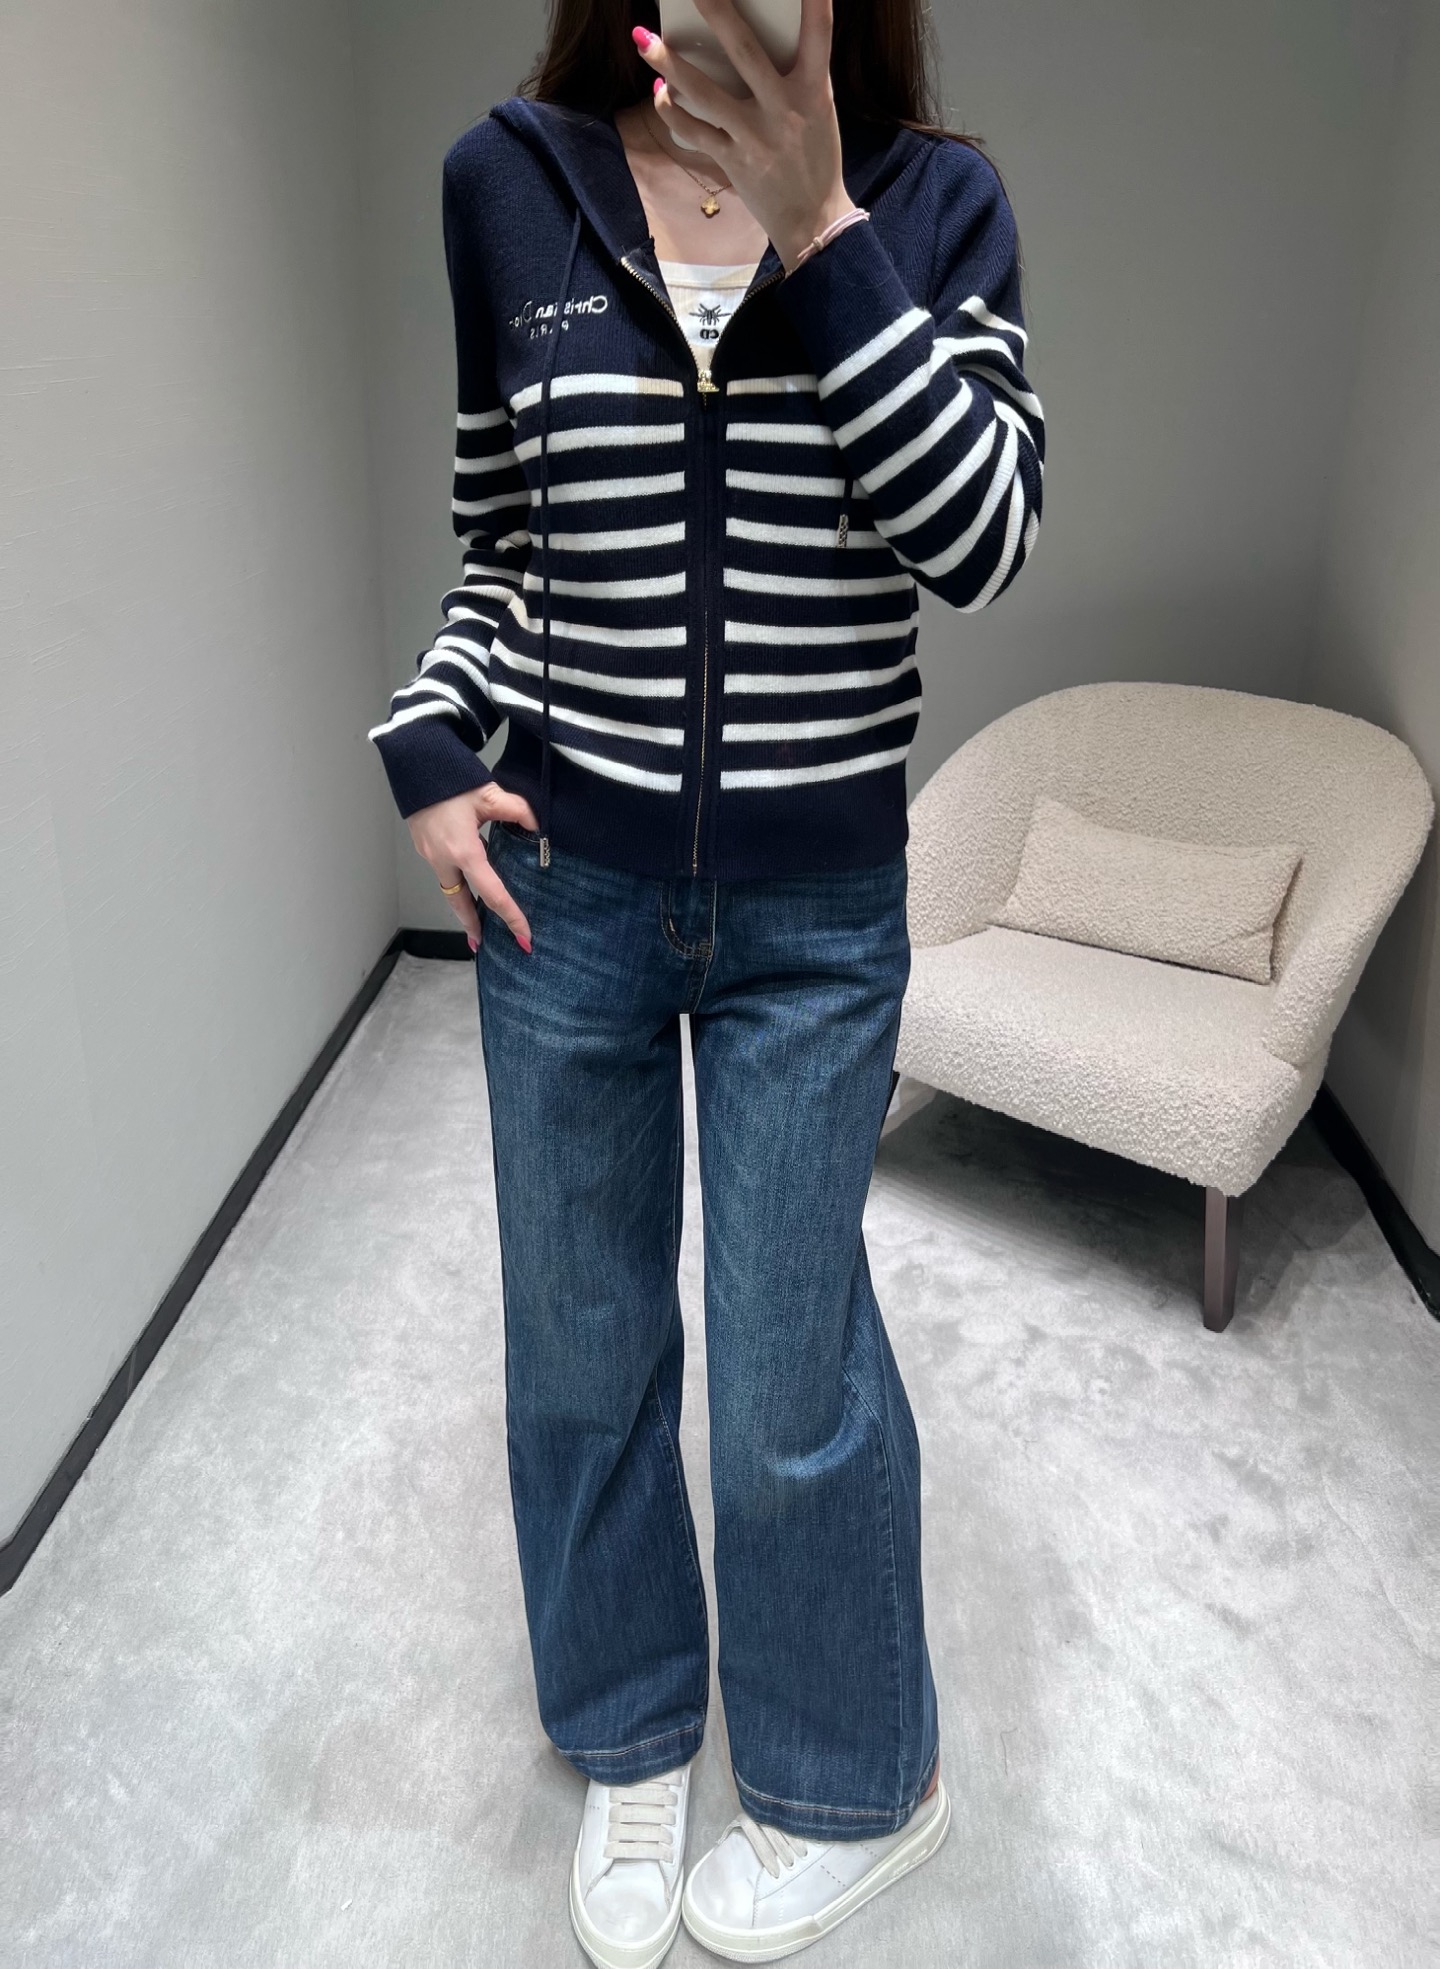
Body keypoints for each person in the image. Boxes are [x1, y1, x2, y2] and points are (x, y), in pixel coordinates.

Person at [367, 0, 1045, 1959]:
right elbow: (508, 548)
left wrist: (823, 225)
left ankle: (858, 1778)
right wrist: (433, 737)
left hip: (815, 913)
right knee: (580, 1347)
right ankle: (632, 1725)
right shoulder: (507, 185)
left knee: (785, 1378)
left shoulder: (938, 204)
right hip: (562, 891)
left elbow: (982, 539)